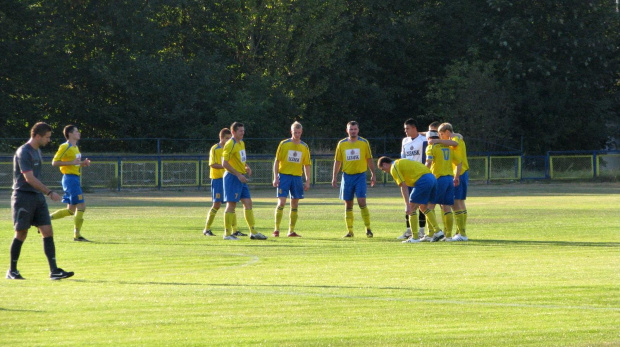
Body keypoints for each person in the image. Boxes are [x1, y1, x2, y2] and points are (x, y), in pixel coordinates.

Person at [7, 122, 74, 280]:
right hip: (23, 196)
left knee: (47, 231)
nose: (49, 140)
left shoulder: (38, 151)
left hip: (37, 197)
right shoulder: (24, 152)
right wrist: (49, 192)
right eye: (47, 137)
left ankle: (54, 271)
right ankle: (12, 271)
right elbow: (28, 178)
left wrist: (43, 193)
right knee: (21, 233)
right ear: (37, 136)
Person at [376, 156, 443, 243]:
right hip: (432, 178)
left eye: (383, 169)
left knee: (411, 208)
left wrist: (407, 205)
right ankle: (438, 231)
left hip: (423, 180)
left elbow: (403, 186)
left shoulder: (393, 167)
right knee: (423, 207)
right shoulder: (400, 162)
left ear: (384, 164)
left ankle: (415, 237)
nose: (385, 171)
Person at [221, 122, 268, 240]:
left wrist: (246, 166)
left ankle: (253, 231)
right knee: (231, 204)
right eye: (240, 131)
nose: (243, 133)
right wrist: (237, 174)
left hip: (241, 177)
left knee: (248, 203)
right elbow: (224, 163)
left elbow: (239, 159)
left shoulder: (241, 143)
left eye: (243, 130)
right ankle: (227, 234)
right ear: (233, 132)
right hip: (232, 177)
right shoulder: (230, 144)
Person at [332, 121, 376, 238]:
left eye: (355, 129)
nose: (353, 131)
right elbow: (338, 161)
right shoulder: (342, 144)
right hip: (347, 177)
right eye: (351, 129)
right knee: (348, 204)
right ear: (347, 130)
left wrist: (373, 173)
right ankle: (350, 231)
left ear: (358, 130)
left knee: (362, 202)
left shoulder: (364, 142)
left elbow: (369, 158)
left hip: (360, 176)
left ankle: (368, 228)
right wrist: (334, 176)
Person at [49, 125, 92, 241]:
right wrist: (72, 162)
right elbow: (54, 162)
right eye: (76, 131)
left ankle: (44, 220)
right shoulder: (65, 146)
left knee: (70, 211)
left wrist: (83, 164)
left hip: (74, 178)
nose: (79, 133)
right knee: (82, 205)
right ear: (69, 134)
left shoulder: (75, 147)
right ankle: (77, 236)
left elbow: (74, 164)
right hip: (70, 179)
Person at [272, 121, 312, 237]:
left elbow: (307, 165)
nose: (297, 134)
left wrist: (308, 180)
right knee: (282, 202)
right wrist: (275, 177)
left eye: (299, 132)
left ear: (301, 132)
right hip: (284, 176)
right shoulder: (284, 144)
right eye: (295, 132)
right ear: (291, 132)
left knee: (295, 204)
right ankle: (276, 229)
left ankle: (291, 231)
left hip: (297, 178)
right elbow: (277, 161)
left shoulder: (304, 146)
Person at [424, 130, 462, 242]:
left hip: (438, 179)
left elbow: (429, 163)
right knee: (446, 207)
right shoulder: (448, 148)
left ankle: (432, 233)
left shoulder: (431, 148)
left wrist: (422, 174)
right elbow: (459, 162)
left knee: (429, 206)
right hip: (450, 179)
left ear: (430, 139)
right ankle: (448, 236)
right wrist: (456, 176)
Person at [438, 122, 470, 241]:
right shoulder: (457, 137)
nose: (441, 137)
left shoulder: (455, 139)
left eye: (442, 134)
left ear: (447, 132)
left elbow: (455, 141)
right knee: (460, 202)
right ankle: (460, 231)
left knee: (456, 203)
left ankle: (462, 233)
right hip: (462, 173)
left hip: (459, 173)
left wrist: (456, 176)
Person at [202, 128, 237, 237]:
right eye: (226, 138)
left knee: (231, 203)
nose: (228, 140)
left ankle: (235, 230)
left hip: (228, 179)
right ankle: (207, 229)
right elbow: (212, 164)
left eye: (229, 138)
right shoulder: (215, 148)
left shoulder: (231, 148)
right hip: (218, 179)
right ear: (221, 138)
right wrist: (225, 165)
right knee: (216, 205)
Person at [398, 118, 428, 240]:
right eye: (405, 129)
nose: (405, 131)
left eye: (407, 128)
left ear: (414, 128)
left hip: (419, 175)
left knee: (421, 203)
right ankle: (408, 230)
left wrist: (422, 133)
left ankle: (421, 230)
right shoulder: (405, 141)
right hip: (408, 176)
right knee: (408, 202)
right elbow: (402, 158)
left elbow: (432, 133)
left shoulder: (423, 140)